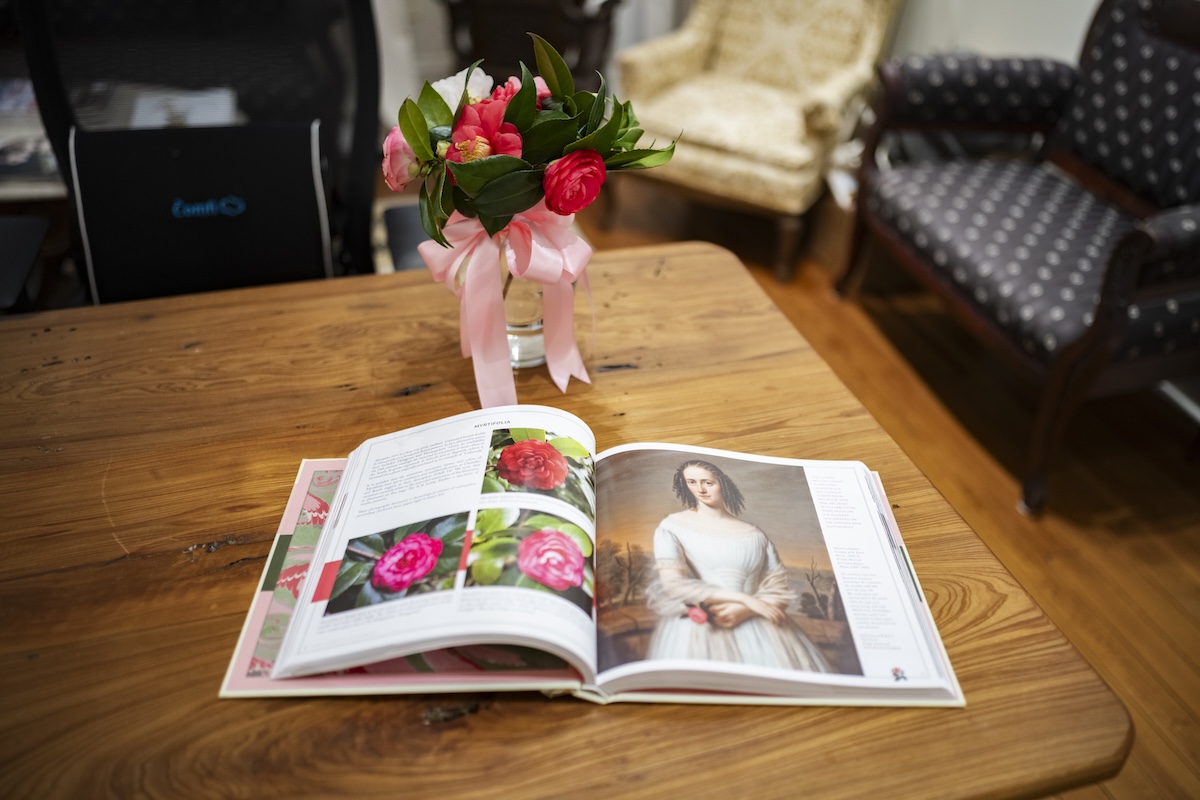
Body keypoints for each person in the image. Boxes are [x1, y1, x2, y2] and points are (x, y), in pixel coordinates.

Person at [644, 459, 831, 672]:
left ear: (723, 483)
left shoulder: (755, 534)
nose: (700, 489)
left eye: (707, 482)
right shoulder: (673, 526)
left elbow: (779, 587)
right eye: (692, 482)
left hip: (761, 626)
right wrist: (746, 600)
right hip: (702, 630)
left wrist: (744, 611)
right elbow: (673, 585)